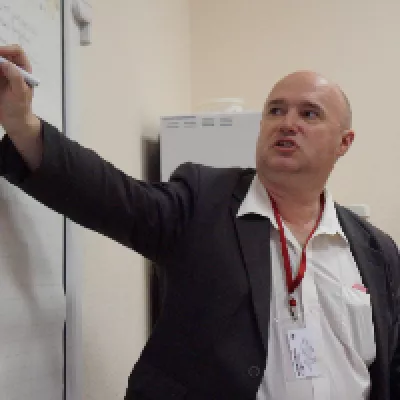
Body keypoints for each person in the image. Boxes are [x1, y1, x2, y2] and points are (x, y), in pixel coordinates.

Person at [0, 45, 399, 400]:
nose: (287, 123)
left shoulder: (376, 251)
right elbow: (115, 198)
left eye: (309, 113)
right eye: (276, 110)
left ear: (344, 142)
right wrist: (23, 123)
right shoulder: (203, 200)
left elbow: (390, 365)